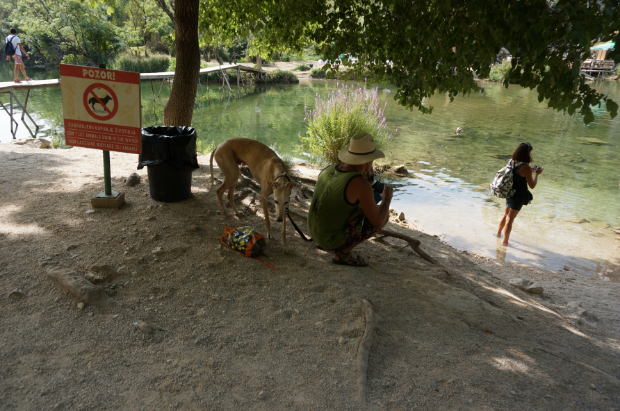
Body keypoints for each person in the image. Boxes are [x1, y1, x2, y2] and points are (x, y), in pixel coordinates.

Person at [308, 133, 393, 266]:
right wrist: (387, 199)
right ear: (368, 161)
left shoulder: (329, 169)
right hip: (329, 240)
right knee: (383, 216)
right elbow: (377, 221)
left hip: (314, 233)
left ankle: (327, 243)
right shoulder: (360, 183)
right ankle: (342, 254)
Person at [496, 142, 543, 245]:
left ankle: (498, 234)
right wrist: (537, 175)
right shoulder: (525, 168)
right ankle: (505, 242)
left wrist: (531, 170)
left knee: (505, 215)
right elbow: (532, 185)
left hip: (509, 192)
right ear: (527, 153)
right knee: (510, 219)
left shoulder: (512, 162)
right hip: (518, 196)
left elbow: (517, 172)